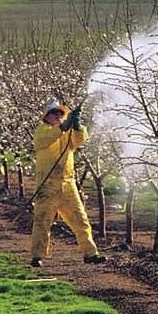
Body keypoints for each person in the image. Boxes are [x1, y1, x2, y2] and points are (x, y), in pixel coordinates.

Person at [30, 100, 107, 267]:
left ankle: (90, 254)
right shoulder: (41, 131)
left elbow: (79, 140)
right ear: (47, 116)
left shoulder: (66, 134)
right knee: (42, 222)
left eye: (60, 114)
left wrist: (77, 126)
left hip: (67, 184)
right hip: (47, 185)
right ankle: (37, 256)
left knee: (81, 220)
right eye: (54, 113)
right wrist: (63, 128)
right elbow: (46, 138)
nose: (58, 116)